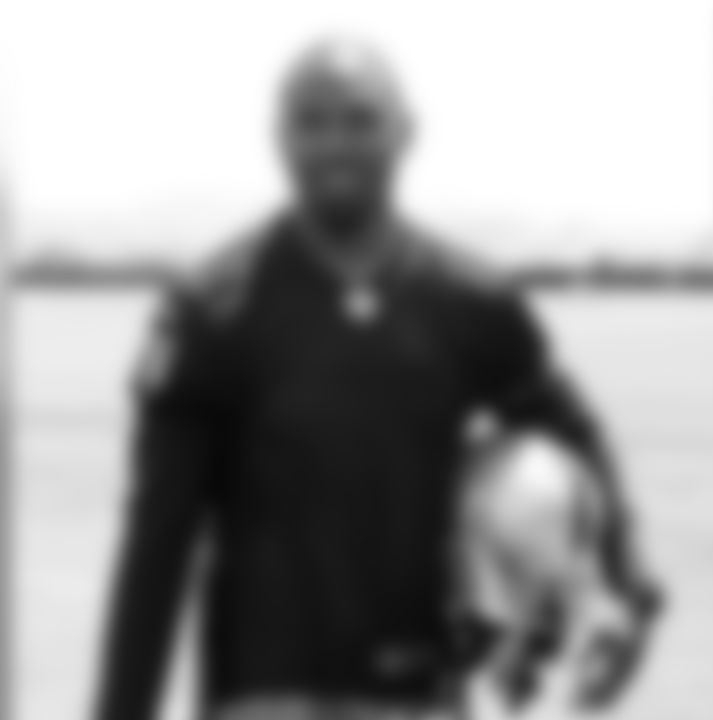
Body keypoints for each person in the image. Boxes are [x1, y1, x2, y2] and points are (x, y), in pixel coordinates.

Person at [92, 36, 661, 720]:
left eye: (360, 119)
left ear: (406, 131)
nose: (336, 143)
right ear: (278, 138)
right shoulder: (210, 312)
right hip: (263, 698)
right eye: (311, 121)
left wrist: (629, 584)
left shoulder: (472, 301)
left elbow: (573, 436)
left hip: (424, 699)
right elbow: (158, 546)